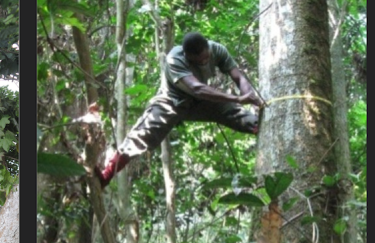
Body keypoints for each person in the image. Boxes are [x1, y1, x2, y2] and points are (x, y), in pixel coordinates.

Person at [97, 31, 265, 187]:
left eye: (206, 58)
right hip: (171, 101)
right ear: (187, 56)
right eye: (197, 61)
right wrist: (237, 98)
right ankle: (106, 176)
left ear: (208, 48)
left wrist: (248, 93)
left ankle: (261, 127)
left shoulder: (217, 50)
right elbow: (197, 88)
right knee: (140, 136)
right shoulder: (175, 59)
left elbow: (238, 75)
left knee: (231, 111)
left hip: (198, 103)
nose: (203, 62)